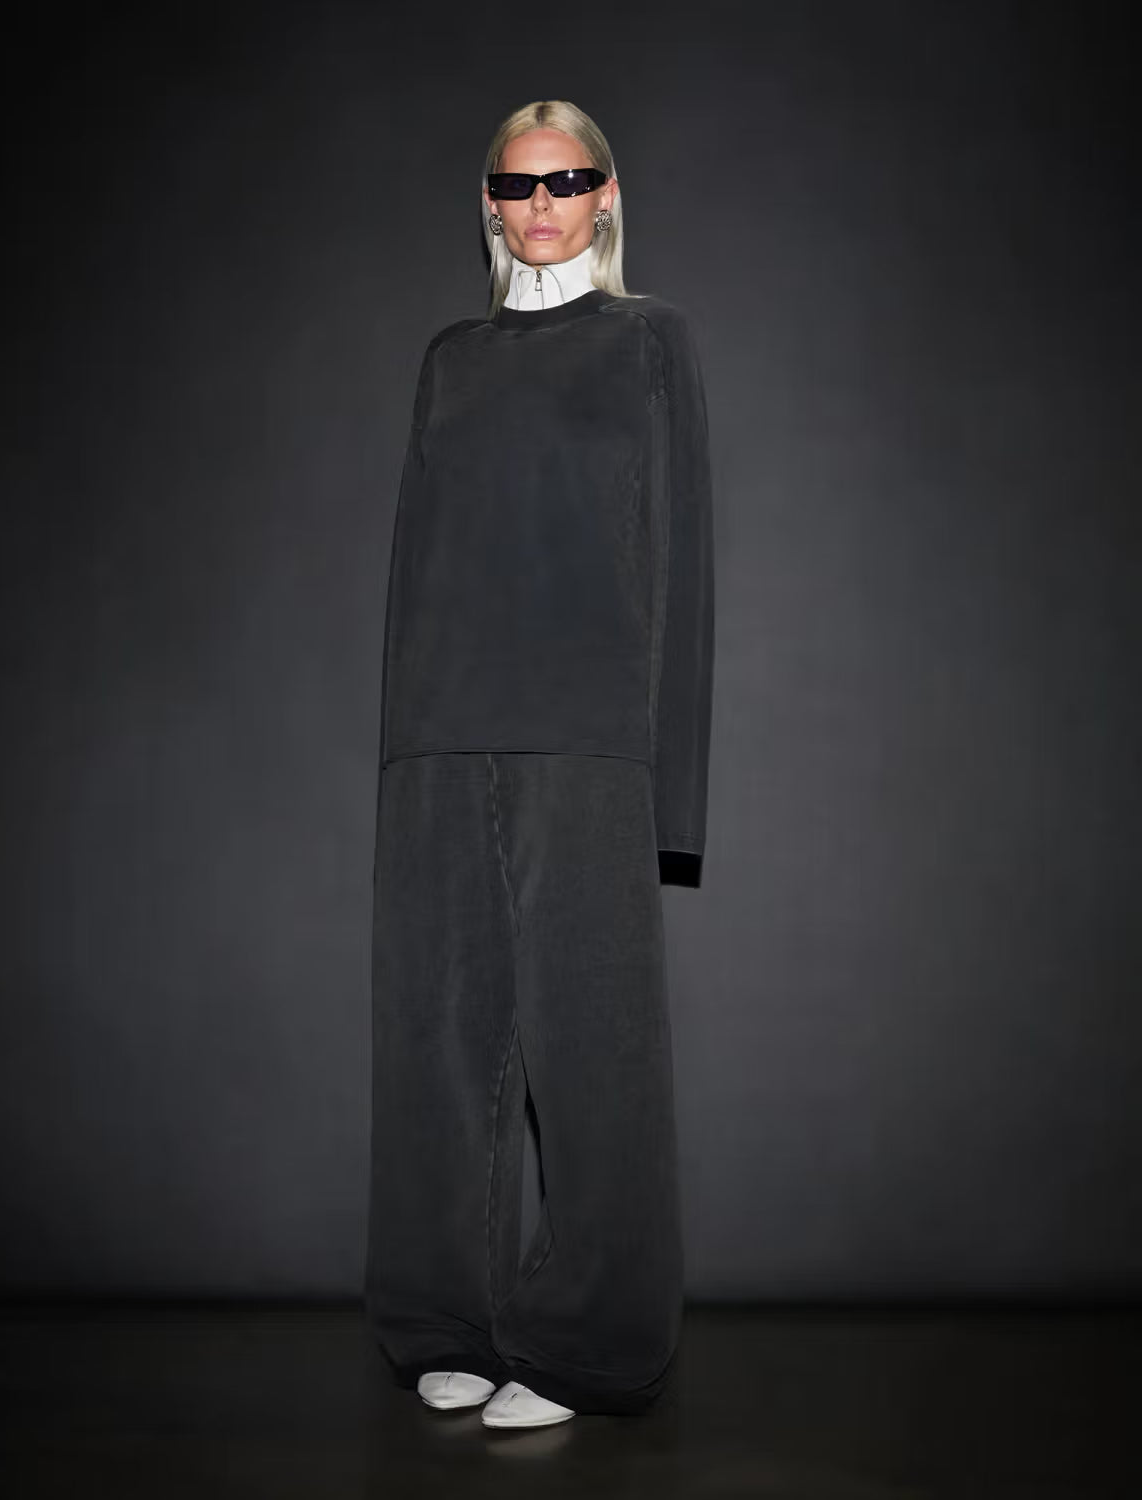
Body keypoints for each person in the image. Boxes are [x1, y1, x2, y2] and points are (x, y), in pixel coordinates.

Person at [363, 98, 715, 1430]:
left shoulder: (648, 343)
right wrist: (401, 741)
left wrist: (669, 789)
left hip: (586, 734)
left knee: (592, 1049)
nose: (542, 206)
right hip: (441, 735)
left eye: (567, 181)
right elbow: (417, 562)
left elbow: (682, 561)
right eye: (518, 187)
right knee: (434, 1042)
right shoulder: (450, 359)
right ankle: (444, 1317)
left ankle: (589, 1339)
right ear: (490, 206)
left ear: (606, 195)